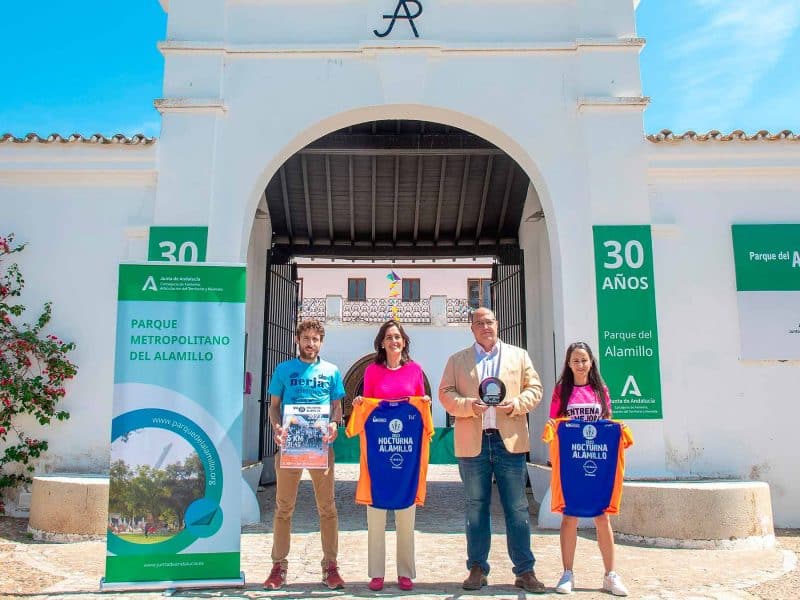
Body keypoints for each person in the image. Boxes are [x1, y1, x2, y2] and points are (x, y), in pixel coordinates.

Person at [438, 307, 546, 593]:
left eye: (489, 321)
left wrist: (516, 405)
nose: (485, 326)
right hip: (473, 440)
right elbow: (445, 393)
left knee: (517, 506)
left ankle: (525, 570)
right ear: (472, 328)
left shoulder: (518, 356)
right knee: (476, 506)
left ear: (497, 324)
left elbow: (534, 389)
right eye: (479, 323)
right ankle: (477, 567)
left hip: (507, 439)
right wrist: (467, 406)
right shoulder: (457, 360)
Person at [348, 319, 433, 592]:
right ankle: (376, 573)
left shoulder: (415, 371)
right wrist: (360, 404)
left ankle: (405, 572)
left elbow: (421, 407)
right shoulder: (372, 372)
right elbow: (369, 408)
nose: (394, 341)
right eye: (388, 337)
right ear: (381, 343)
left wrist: (425, 405)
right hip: (379, 452)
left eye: (397, 337)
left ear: (404, 341)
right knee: (375, 514)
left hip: (407, 453)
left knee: (406, 515)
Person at [263, 319, 346, 591]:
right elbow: (274, 406)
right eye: (306, 338)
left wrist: (334, 424)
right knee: (284, 508)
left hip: (321, 447)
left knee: (328, 508)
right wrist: (277, 427)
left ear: (321, 342)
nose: (311, 343)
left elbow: (337, 407)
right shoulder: (284, 369)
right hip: (290, 446)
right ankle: (279, 566)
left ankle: (330, 566)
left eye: (316, 339)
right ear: (298, 339)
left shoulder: (331, 371)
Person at [548, 341, 629, 596]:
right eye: (575, 361)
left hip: (596, 460)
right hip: (571, 463)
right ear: (568, 364)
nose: (580, 365)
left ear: (591, 362)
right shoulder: (562, 391)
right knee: (569, 515)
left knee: (601, 516)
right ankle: (567, 573)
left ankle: (610, 575)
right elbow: (554, 424)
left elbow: (607, 423)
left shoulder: (600, 390)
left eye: (584, 360)